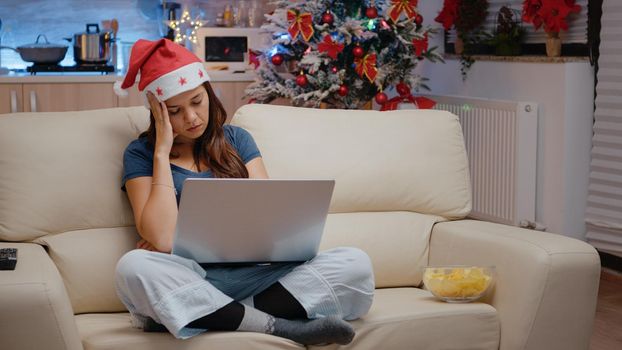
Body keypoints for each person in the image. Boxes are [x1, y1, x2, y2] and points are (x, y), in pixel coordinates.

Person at [113, 38, 375, 345]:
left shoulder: (238, 140)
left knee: (355, 264)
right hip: (192, 277)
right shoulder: (141, 154)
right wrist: (161, 152)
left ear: (208, 93)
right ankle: (280, 326)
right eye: (175, 111)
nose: (192, 118)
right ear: (158, 114)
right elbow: (162, 237)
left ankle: (209, 315)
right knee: (133, 267)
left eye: (197, 102)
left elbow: (267, 219)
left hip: (259, 276)